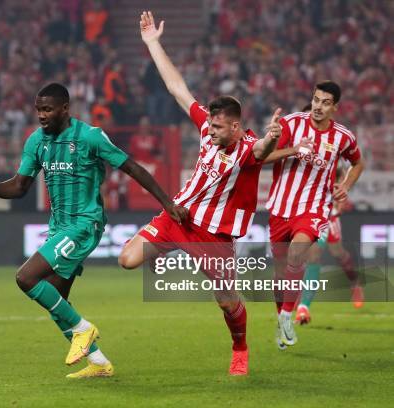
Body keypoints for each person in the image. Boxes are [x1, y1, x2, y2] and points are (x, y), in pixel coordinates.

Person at [0, 82, 187, 379]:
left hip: (85, 223)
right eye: (38, 109)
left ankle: (84, 328)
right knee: (56, 300)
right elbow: (19, 186)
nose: (42, 115)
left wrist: (167, 203)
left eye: (48, 109)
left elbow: (132, 168)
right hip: (59, 228)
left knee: (25, 277)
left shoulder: (89, 137)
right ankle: (98, 362)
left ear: (65, 109)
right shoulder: (36, 142)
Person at [117, 11, 284, 376]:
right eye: (209, 122)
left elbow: (261, 152)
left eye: (219, 126)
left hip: (215, 234)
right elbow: (178, 89)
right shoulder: (209, 128)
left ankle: (240, 347)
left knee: (226, 301)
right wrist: (152, 44)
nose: (210, 130)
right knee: (127, 259)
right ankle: (165, 249)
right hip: (179, 216)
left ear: (237, 126)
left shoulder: (247, 147)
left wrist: (272, 136)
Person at [264, 81, 365, 349]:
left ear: (335, 107)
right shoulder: (291, 123)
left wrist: (345, 186)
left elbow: (358, 163)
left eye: (325, 102)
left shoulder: (343, 137)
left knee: (301, 253)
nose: (318, 106)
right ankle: (281, 318)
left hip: (314, 209)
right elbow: (263, 157)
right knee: (279, 277)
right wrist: (294, 149)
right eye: (315, 100)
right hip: (279, 208)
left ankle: (290, 313)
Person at [295, 166, 364, 325]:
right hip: (314, 216)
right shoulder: (312, 167)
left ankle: (355, 283)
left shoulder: (335, 166)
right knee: (312, 255)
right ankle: (304, 305)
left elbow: (344, 183)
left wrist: (341, 201)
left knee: (338, 253)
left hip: (330, 218)